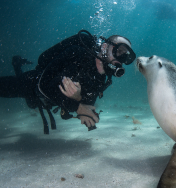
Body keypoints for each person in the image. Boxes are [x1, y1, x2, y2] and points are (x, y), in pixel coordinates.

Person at [0, 30, 136, 134]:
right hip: (32, 83)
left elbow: (86, 103)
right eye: (119, 51)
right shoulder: (77, 54)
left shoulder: (102, 79)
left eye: (126, 56)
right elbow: (43, 85)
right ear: (105, 46)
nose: (121, 58)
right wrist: (77, 106)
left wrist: (84, 109)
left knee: (31, 104)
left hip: (47, 101)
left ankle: (17, 65)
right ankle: (17, 64)